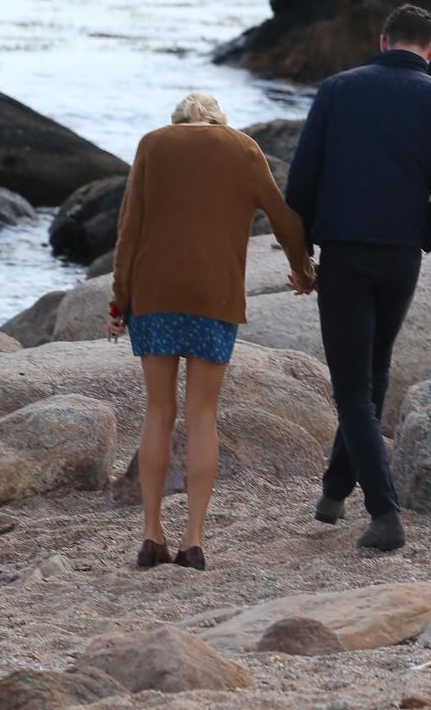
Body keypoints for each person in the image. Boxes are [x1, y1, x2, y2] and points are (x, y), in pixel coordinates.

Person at [286, 3, 431, 551]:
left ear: (384, 41)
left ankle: (385, 513)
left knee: (352, 387)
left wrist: (302, 252)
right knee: (374, 372)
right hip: (400, 255)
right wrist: (425, 237)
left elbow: (302, 179)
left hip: (345, 250)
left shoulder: (338, 88)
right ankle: (334, 491)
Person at [108, 92, 315, 571]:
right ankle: (194, 541)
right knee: (202, 415)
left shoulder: (153, 144)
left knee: (158, 411)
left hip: (155, 296)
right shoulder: (243, 148)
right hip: (215, 300)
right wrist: (304, 272)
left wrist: (120, 301)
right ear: (218, 120)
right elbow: (285, 220)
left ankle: (151, 535)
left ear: (179, 121)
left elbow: (129, 229)